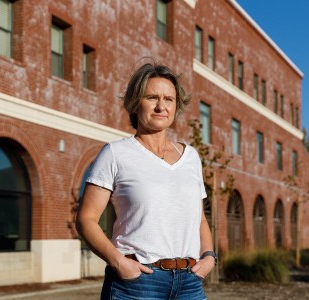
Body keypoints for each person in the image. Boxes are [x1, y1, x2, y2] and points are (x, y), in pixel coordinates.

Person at [76, 61, 216, 300]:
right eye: (152, 97)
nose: (161, 106)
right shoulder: (115, 153)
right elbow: (86, 219)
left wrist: (209, 257)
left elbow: (199, 217)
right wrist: (119, 262)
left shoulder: (191, 157)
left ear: (176, 106)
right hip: (137, 284)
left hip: (190, 283)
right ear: (135, 103)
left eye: (169, 99)